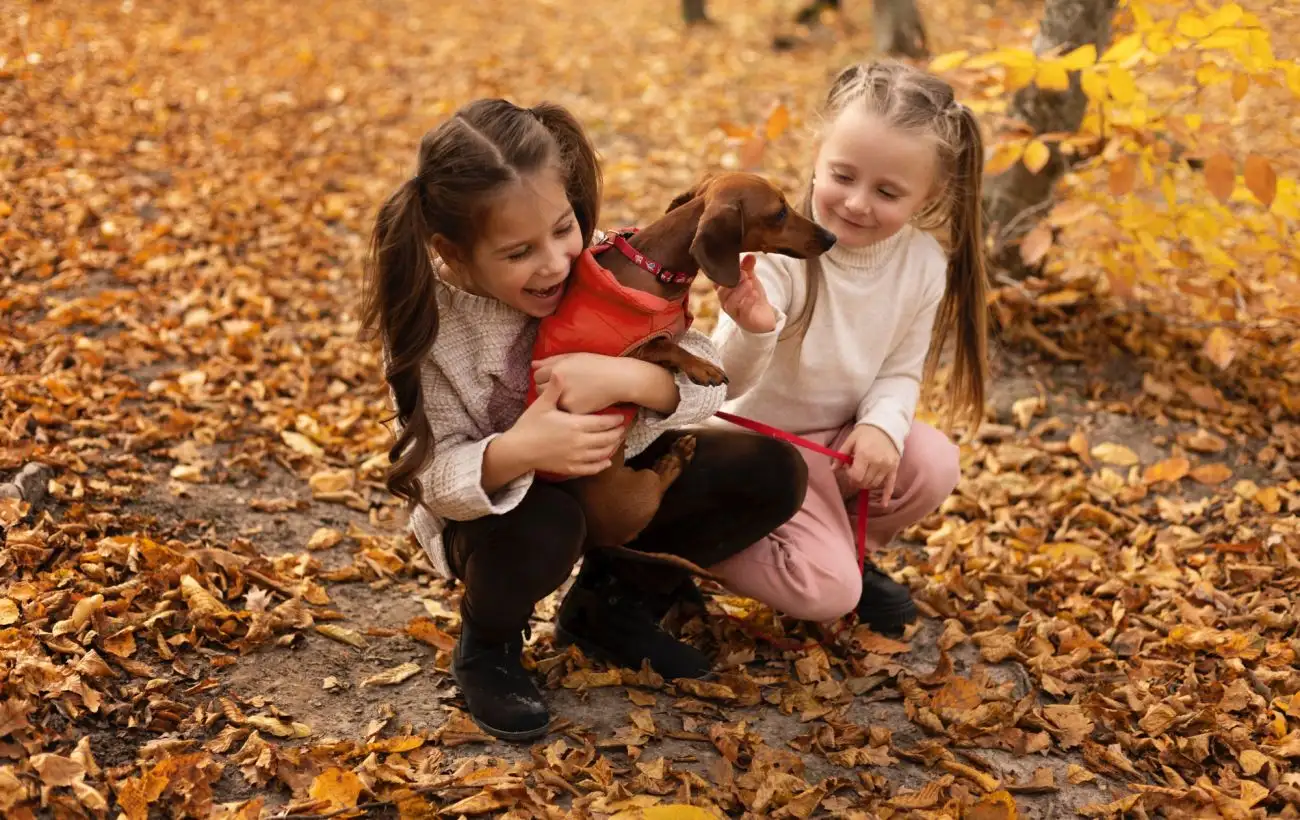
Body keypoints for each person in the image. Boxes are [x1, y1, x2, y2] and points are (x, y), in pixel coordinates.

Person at [359, 98, 807, 741]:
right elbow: (432, 478)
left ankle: (612, 606)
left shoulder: (604, 262)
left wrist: (636, 376)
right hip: (506, 517)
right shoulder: (432, 328)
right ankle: (488, 647)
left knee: (769, 470)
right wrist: (519, 450)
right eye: (517, 253)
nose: (554, 263)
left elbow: (709, 381)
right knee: (547, 518)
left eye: (563, 228)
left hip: (619, 473)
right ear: (453, 254)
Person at [707, 60, 989, 635]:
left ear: (928, 195)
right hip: (756, 452)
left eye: (887, 191)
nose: (858, 204)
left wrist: (882, 427)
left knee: (932, 463)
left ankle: (845, 546)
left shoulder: (921, 263)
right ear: (816, 156)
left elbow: (899, 371)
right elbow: (722, 388)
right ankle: (680, 544)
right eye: (842, 175)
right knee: (827, 593)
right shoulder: (778, 248)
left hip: (832, 450)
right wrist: (753, 327)